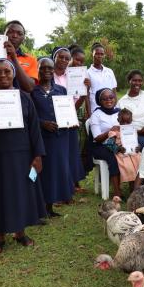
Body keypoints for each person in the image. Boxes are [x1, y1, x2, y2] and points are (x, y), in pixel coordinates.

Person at [0, 58, 46, 253]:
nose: (3, 75)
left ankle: (20, 232)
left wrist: (38, 155)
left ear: (13, 73)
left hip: (22, 154)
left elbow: (34, 128)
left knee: (20, 192)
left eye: (7, 71)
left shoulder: (24, 97)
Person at [31, 57, 73, 217]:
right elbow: (28, 115)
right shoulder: (32, 91)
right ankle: (35, 207)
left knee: (54, 171)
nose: (47, 71)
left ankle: (49, 207)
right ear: (38, 70)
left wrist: (71, 121)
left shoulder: (61, 90)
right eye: (43, 68)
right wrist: (42, 123)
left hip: (59, 137)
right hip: (40, 137)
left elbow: (68, 111)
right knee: (39, 171)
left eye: (50, 68)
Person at [52, 47, 87, 195]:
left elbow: (74, 103)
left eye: (67, 58)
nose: (64, 61)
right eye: (61, 57)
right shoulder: (48, 73)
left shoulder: (72, 77)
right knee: (57, 154)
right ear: (54, 58)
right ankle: (58, 188)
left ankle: (71, 185)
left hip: (69, 118)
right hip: (52, 120)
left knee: (71, 152)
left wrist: (84, 95)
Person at [89, 88, 122, 197]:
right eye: (105, 99)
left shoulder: (119, 112)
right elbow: (97, 138)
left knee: (132, 152)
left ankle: (132, 188)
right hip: (100, 146)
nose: (109, 100)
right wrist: (110, 131)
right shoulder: (96, 115)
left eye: (111, 97)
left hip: (118, 143)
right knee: (112, 156)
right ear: (100, 101)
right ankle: (117, 193)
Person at [117, 70, 144, 149]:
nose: (137, 83)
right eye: (134, 80)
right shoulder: (122, 102)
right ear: (129, 81)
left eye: (140, 81)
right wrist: (140, 131)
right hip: (134, 135)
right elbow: (121, 127)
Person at [69, 44, 92, 190]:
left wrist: (88, 112)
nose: (80, 63)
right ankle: (70, 181)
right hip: (69, 110)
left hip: (81, 110)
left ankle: (76, 181)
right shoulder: (65, 74)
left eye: (82, 61)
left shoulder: (84, 74)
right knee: (73, 146)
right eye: (77, 60)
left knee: (81, 146)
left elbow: (86, 94)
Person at [104, 108, 141, 190]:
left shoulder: (133, 130)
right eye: (122, 122)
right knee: (130, 168)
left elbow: (136, 142)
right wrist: (118, 148)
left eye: (128, 122)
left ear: (131, 120)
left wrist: (138, 147)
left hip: (134, 153)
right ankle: (132, 189)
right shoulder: (115, 131)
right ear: (118, 120)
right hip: (122, 155)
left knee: (140, 163)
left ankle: (135, 189)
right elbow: (109, 144)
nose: (125, 124)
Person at [87, 43, 117, 114]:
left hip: (111, 109)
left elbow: (114, 91)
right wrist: (89, 113)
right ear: (92, 54)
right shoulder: (87, 73)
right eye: (97, 54)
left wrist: (115, 107)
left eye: (102, 54)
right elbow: (86, 96)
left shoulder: (109, 71)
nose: (100, 56)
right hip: (95, 110)